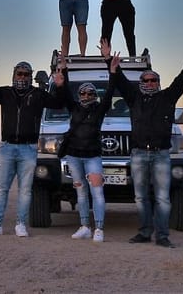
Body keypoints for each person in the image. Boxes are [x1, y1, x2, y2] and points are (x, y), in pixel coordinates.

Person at [107, 36, 183, 248]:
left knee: (162, 198)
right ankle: (144, 232)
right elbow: (120, 81)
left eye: (154, 80)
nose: (150, 83)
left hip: (161, 154)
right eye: (146, 80)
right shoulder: (134, 98)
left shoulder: (168, 98)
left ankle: (162, 236)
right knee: (140, 198)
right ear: (141, 83)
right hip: (137, 155)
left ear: (158, 83)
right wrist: (109, 60)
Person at [0, 56, 65, 237]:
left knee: (25, 190)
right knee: (1, 188)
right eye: (20, 74)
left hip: (28, 149)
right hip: (7, 148)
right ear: (14, 75)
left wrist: (60, 85)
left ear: (30, 76)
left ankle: (20, 224)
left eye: (26, 74)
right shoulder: (5, 93)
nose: (23, 77)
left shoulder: (38, 95)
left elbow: (58, 104)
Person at [53, 48, 114, 242]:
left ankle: (99, 229)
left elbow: (111, 91)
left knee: (97, 192)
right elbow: (65, 90)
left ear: (95, 95)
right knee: (80, 190)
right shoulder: (74, 107)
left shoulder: (100, 109)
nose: (86, 95)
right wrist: (64, 69)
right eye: (83, 92)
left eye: (90, 93)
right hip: (73, 155)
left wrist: (111, 69)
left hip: (93, 156)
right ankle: (85, 226)